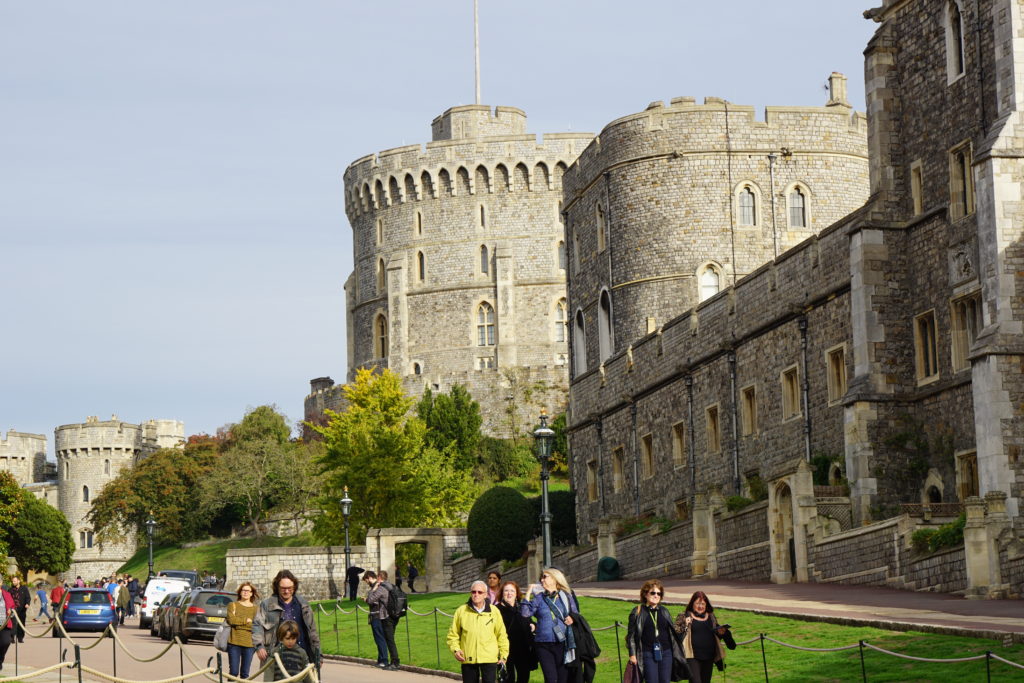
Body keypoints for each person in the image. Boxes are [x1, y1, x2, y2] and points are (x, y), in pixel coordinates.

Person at [252, 570, 320, 682]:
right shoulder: (266, 605)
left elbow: (312, 631)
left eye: (290, 588)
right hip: (277, 656)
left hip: (301, 656)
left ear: (294, 587)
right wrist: (259, 646)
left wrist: (318, 654)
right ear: (277, 587)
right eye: (283, 588)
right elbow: (257, 626)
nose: (287, 591)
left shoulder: (303, 604)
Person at [520, 569, 578, 683]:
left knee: (563, 678)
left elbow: (576, 614)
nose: (541, 580)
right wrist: (528, 592)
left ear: (554, 579)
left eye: (545, 577)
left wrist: (572, 618)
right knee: (551, 679)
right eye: (541, 578)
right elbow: (525, 613)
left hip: (563, 642)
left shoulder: (565, 596)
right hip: (543, 644)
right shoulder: (539, 598)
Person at [447, 580, 509, 683]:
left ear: (485, 595)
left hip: (489, 659)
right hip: (468, 658)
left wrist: (503, 656)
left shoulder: (494, 611)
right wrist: (456, 650)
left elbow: (501, 635)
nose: (476, 594)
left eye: (480, 592)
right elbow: (453, 634)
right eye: (473, 592)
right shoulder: (461, 611)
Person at [626, 580, 678, 683]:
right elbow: (631, 636)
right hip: (648, 652)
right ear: (645, 594)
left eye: (659, 593)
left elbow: (672, 633)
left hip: (666, 652)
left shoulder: (664, 611)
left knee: (665, 680)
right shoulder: (637, 611)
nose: (656, 595)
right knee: (651, 680)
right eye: (653, 592)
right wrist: (632, 654)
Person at [674, 591, 727, 683]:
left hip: (709, 656)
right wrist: (685, 625)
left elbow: (716, 634)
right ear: (692, 604)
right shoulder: (684, 616)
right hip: (692, 656)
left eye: (703, 604)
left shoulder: (711, 616)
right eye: (697, 603)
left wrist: (721, 632)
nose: (700, 606)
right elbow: (676, 635)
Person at [494, 581, 535, 683]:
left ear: (516, 593)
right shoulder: (496, 609)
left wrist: (534, 625)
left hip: (523, 649)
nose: (509, 593)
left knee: (524, 678)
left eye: (512, 591)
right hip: (505, 650)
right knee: (508, 679)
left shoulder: (522, 607)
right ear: (502, 593)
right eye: (506, 590)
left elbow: (530, 621)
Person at [363, 571, 398, 670]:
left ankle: (384, 660)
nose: (367, 582)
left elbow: (371, 600)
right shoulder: (388, 586)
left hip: (379, 615)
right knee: (383, 639)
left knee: (381, 639)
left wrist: (371, 591)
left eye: (366, 580)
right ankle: (382, 659)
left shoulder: (379, 587)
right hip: (384, 615)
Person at [227, 582, 259, 679]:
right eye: (243, 590)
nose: (245, 592)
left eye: (247, 591)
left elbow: (256, 626)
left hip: (249, 645)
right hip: (234, 643)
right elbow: (231, 620)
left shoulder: (256, 609)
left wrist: (238, 624)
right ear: (240, 592)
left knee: (245, 674)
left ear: (251, 593)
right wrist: (246, 621)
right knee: (233, 672)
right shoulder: (232, 605)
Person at [8, 576, 29, 644]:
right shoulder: (10, 590)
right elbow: (8, 599)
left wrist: (27, 603)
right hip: (13, 610)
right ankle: (12, 638)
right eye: (13, 581)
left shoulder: (24, 589)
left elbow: (28, 597)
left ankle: (20, 638)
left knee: (22, 624)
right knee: (13, 624)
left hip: (22, 610)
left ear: (18, 581)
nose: (13, 582)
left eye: (14, 581)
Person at [0, 584, 14, 671]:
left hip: (5, 624)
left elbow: (12, 607)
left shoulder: (7, 594)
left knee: (6, 642)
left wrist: (11, 611)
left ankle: (0, 659)